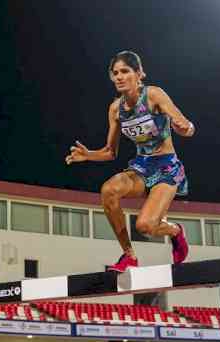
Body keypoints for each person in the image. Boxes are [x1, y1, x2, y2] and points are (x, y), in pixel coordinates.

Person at [65, 50, 195, 272]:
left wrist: (185, 128)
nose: (119, 77)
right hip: (142, 167)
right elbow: (110, 152)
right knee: (109, 190)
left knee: (145, 226)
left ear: (139, 73)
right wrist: (88, 155)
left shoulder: (154, 95)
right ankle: (129, 256)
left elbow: (187, 126)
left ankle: (175, 231)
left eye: (125, 71)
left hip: (166, 168)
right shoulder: (115, 109)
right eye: (115, 73)